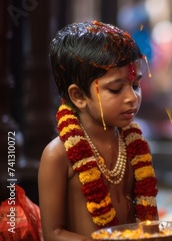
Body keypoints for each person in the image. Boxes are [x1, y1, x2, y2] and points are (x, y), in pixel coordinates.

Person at [38, 21, 159, 240]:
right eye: (116, 88)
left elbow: (149, 221)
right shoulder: (58, 155)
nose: (132, 97)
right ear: (79, 96)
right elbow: (53, 234)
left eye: (135, 85)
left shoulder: (134, 146)